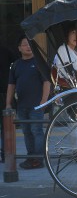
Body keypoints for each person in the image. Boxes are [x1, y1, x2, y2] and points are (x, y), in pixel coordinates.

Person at [6, 35, 51, 169]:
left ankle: (38, 159)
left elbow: (47, 82)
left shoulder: (38, 62)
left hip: (36, 105)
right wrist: (8, 103)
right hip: (21, 105)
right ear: (19, 48)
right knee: (26, 131)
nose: (28, 47)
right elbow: (11, 85)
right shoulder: (15, 65)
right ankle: (31, 157)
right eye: (25, 44)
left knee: (36, 130)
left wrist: (44, 101)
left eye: (30, 44)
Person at [0, 45, 17, 162]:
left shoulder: (4, 49)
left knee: (5, 126)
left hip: (4, 93)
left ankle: (5, 154)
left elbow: (16, 60)